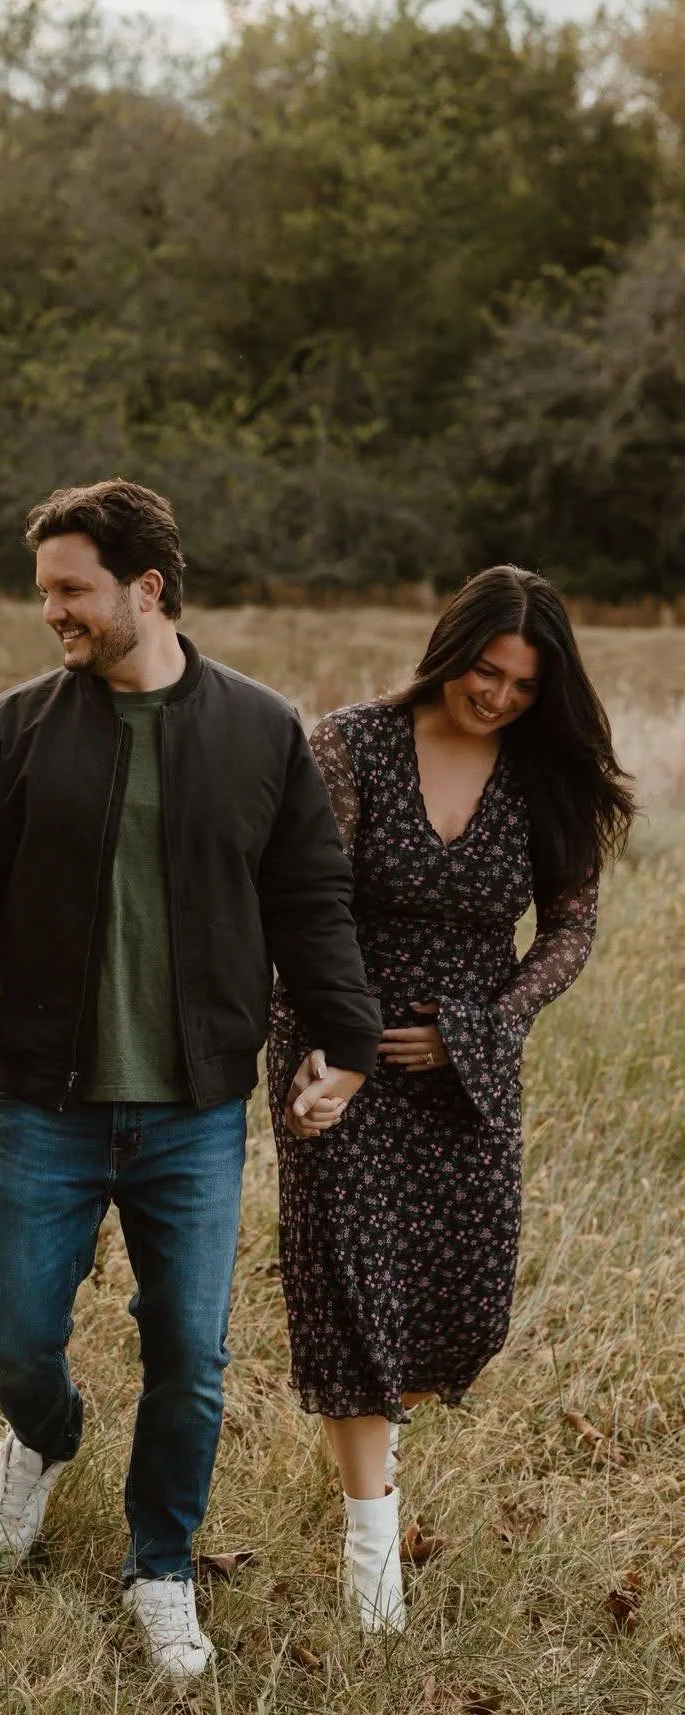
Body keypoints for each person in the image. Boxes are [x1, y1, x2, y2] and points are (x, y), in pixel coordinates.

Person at [0, 479, 381, 1684]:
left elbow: (309, 899)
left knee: (188, 1351)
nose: (53, 613)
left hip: (194, 1108)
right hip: (47, 1101)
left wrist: (341, 1038)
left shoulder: (257, 729)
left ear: (147, 586)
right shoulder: (16, 728)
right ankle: (42, 1438)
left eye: (71, 588)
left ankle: (160, 1567)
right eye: (46, 592)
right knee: (20, 1333)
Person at [268, 566, 636, 1634]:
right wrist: (342, 1047)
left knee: (462, 1302)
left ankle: (377, 1433)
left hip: (466, 1068)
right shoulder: (351, 744)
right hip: (339, 1046)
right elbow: (308, 900)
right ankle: (369, 1533)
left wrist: (484, 1025)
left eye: (523, 683)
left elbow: (568, 926)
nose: (498, 697)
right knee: (348, 1283)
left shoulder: (542, 772)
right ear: (449, 648)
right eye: (485, 671)